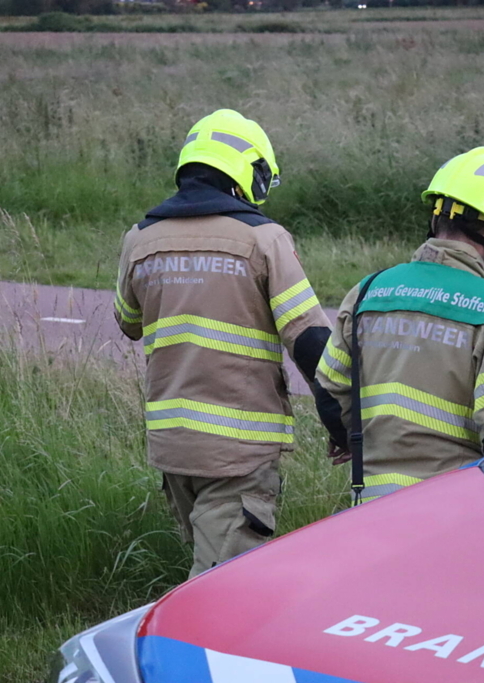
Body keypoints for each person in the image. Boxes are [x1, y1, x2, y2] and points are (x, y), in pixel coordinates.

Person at [113, 109, 337, 578]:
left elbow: (128, 322)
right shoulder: (264, 240)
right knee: (218, 588)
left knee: (208, 566)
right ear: (247, 173)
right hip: (239, 449)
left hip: (173, 447)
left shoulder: (139, 240)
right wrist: (343, 422)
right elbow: (311, 340)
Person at [314, 146, 484, 504]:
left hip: (368, 507)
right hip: (451, 510)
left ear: (436, 220)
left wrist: (350, 438)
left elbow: (328, 392)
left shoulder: (367, 291)